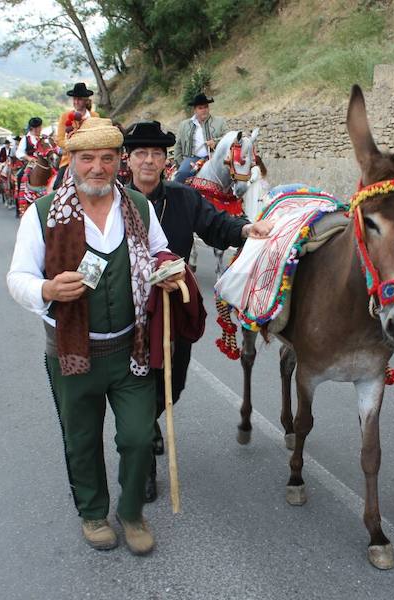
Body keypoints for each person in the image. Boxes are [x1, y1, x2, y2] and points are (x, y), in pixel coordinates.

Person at [7, 118, 182, 556]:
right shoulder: (43, 212)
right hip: (71, 353)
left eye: (107, 158)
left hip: (131, 349)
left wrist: (166, 269)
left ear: (119, 161)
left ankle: (131, 513)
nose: (98, 168)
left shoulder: (138, 207)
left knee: (139, 437)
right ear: (72, 162)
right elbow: (17, 277)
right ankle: (92, 512)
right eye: (88, 158)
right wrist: (45, 290)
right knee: (81, 439)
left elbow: (160, 250)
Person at [123, 120, 274, 501]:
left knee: (173, 383)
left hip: (174, 304)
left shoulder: (182, 197)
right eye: (141, 153)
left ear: (163, 160)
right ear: (128, 159)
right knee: (138, 383)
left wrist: (245, 229)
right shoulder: (114, 201)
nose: (148, 160)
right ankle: (143, 460)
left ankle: (153, 420)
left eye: (156, 154)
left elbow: (215, 224)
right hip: (128, 307)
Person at [173, 92, 227, 183]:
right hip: (191, 159)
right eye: (200, 108)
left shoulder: (220, 122)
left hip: (214, 158)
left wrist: (215, 143)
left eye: (206, 107)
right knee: (180, 175)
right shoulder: (184, 125)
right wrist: (181, 163)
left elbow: (227, 139)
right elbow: (178, 146)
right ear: (195, 110)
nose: (204, 110)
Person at [54, 82, 99, 189]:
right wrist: (74, 146)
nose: (76, 102)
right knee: (57, 186)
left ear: (85, 100)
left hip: (93, 155)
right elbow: (60, 139)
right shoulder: (65, 116)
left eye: (79, 99)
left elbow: (98, 135)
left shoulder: (95, 116)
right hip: (70, 158)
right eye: (74, 99)